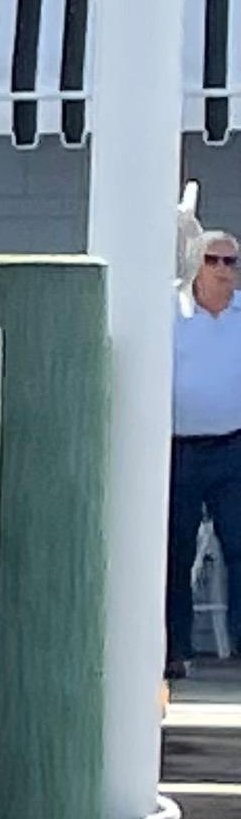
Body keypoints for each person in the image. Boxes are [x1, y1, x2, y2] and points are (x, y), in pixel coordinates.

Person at [173, 232, 241, 675]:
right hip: (176, 448)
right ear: (197, 265)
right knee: (175, 550)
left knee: (240, 544)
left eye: (231, 262)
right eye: (214, 260)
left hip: (233, 446)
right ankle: (174, 650)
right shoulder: (170, 312)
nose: (223, 269)